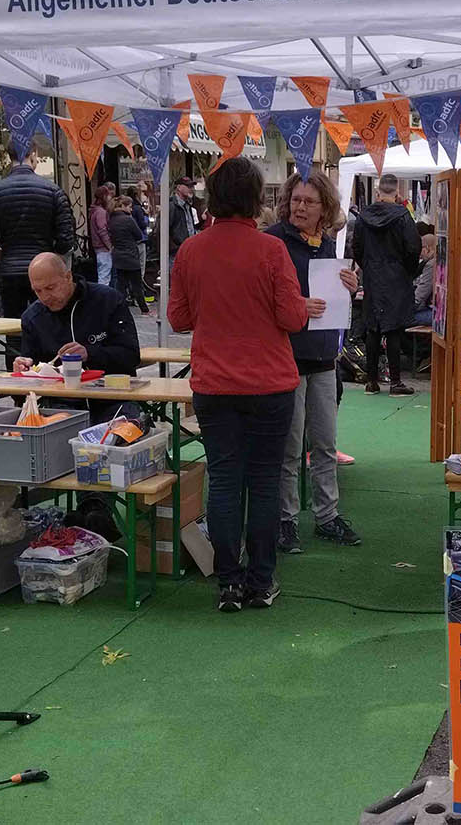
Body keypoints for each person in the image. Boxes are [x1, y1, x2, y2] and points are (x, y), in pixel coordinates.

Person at [167, 157, 311, 613]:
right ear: (255, 199)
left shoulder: (191, 250)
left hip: (214, 385)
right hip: (270, 383)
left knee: (225, 481)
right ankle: (261, 580)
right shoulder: (271, 251)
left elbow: (178, 318)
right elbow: (292, 317)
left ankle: (227, 580)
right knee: (265, 483)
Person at [264, 171, 363, 554]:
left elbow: (334, 301)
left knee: (325, 444)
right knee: (289, 449)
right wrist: (296, 307)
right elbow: (262, 299)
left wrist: (350, 289)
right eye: (296, 199)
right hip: (286, 358)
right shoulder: (273, 242)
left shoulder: (328, 246)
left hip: (323, 358)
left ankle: (327, 516)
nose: (300, 207)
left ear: (325, 208)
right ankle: (285, 521)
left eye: (309, 201)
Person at [0, 145, 76, 364]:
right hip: (48, 275)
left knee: (13, 332)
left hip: (11, 272)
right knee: (51, 326)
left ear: (8, 155)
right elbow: (65, 240)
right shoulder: (52, 190)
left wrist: (8, 260)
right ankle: (52, 377)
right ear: (33, 155)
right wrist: (49, 263)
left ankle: (17, 388)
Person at [12, 252, 140, 374]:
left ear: (68, 277)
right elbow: (31, 371)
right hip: (58, 394)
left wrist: (89, 354)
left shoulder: (108, 300)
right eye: (38, 291)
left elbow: (131, 356)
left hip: (109, 391)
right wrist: (24, 368)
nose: (45, 297)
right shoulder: (33, 317)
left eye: (50, 288)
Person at [352, 174, 423, 396]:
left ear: (378, 191)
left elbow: (357, 248)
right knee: (393, 328)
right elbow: (413, 247)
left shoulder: (363, 217)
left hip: (373, 275)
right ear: (398, 192)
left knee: (373, 327)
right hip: (396, 276)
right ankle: (395, 382)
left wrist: (369, 266)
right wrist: (407, 270)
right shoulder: (403, 216)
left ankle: (371, 380)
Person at [108, 196, 148, 313]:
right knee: (136, 284)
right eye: (129, 207)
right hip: (130, 254)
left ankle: (119, 307)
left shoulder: (111, 220)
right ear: (123, 206)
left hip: (118, 255)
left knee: (121, 284)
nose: (131, 210)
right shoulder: (128, 219)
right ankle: (144, 308)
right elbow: (138, 235)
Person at [89, 184, 117, 288]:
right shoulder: (101, 212)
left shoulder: (94, 211)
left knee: (104, 275)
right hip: (103, 249)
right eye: (108, 195)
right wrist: (110, 246)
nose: (110, 198)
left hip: (99, 248)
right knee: (104, 277)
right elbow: (103, 231)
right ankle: (103, 299)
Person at [167, 175, 199, 265]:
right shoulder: (171, 206)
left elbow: (190, 228)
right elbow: (162, 231)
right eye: (188, 186)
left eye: (191, 186)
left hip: (187, 252)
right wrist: (174, 248)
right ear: (179, 187)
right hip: (176, 254)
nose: (191, 189)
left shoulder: (187, 206)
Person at [413, 233, 437, 325]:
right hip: (437, 310)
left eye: (420, 249)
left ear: (427, 248)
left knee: (403, 319)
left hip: (434, 312)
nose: (419, 254)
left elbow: (421, 294)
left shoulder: (431, 264)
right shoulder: (437, 260)